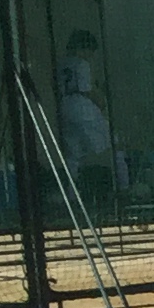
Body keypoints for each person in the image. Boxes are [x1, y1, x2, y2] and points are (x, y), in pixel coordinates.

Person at [55, 28, 119, 190]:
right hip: (84, 110)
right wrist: (101, 102)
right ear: (82, 47)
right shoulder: (81, 64)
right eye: (89, 51)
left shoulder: (61, 64)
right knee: (113, 144)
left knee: (73, 155)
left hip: (65, 108)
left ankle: (70, 193)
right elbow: (86, 89)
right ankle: (123, 185)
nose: (90, 55)